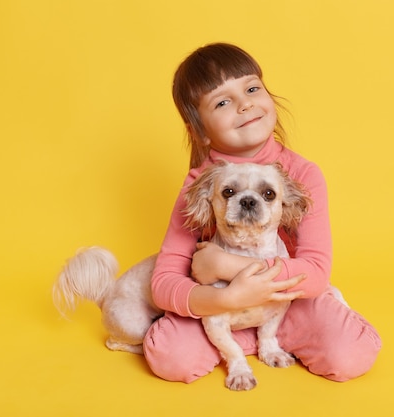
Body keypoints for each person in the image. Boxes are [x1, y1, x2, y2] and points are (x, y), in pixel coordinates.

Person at [143, 43, 381, 383]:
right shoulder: (198, 184)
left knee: (350, 355)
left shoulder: (304, 173)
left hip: (287, 302)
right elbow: (164, 284)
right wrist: (224, 297)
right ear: (199, 132)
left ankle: (271, 337)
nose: (245, 104)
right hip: (219, 310)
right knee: (171, 359)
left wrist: (224, 266)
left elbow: (314, 273)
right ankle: (241, 345)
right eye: (223, 102)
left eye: (252, 88)